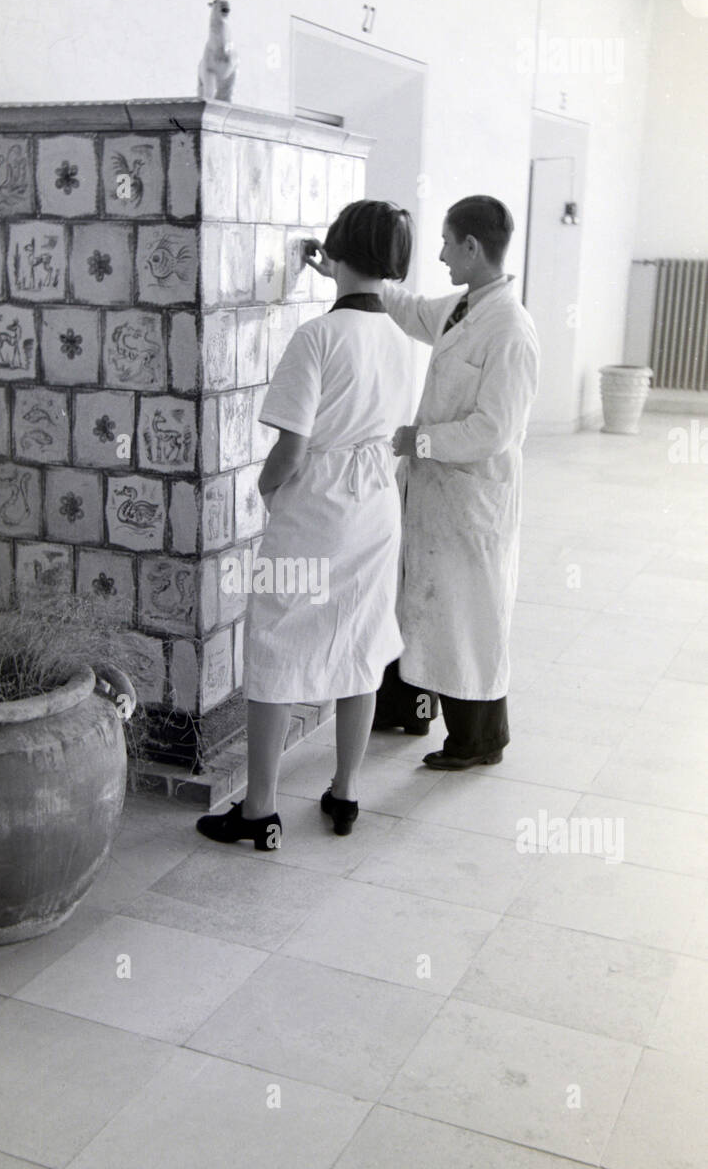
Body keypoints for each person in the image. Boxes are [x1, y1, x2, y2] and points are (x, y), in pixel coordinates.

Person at [196, 200, 414, 849]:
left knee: (276, 643)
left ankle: (259, 808)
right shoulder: (401, 338)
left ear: (338, 251)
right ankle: (344, 793)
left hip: (315, 510)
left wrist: (264, 490)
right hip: (377, 507)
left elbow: (290, 451)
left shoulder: (315, 337)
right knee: (359, 642)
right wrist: (343, 276)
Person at [314, 195, 539, 769]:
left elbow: (494, 429)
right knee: (421, 603)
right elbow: (411, 311)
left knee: (467, 617)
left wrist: (422, 441)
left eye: (445, 243)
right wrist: (344, 270)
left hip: (472, 496)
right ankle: (409, 708)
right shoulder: (466, 306)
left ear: (471, 247)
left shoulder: (510, 328)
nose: (438, 254)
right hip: (436, 491)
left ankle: (479, 740)